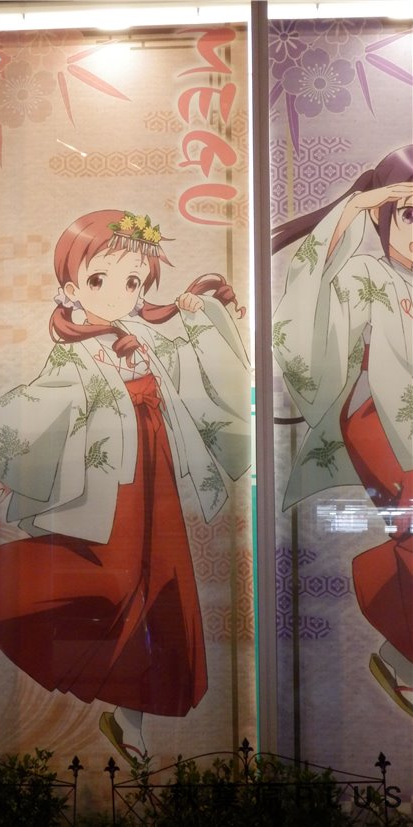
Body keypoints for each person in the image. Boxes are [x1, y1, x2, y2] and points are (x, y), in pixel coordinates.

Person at [0, 209, 251, 760]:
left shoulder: (148, 335)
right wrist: (11, 463)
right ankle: (0, 605)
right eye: (100, 279)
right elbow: (42, 404)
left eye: (133, 281)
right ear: (72, 287)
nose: (120, 292)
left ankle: (130, 722)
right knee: (113, 583)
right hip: (109, 485)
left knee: (160, 592)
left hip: (155, 474)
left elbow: (200, 368)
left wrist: (197, 314)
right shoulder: (74, 350)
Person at [272, 145, 413, 716]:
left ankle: (398, 655)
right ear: (384, 214)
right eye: (410, 214)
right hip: (378, 419)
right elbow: (312, 289)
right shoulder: (365, 272)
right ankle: (398, 650)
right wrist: (354, 208)